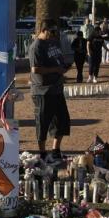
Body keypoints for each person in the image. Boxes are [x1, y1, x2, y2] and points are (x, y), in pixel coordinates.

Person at [29, 20, 69, 162]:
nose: (54, 35)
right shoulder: (37, 46)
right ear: (44, 30)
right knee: (43, 122)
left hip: (57, 89)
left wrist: (63, 68)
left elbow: (58, 60)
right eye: (52, 32)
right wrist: (56, 70)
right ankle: (43, 153)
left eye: (56, 32)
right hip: (42, 91)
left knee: (62, 121)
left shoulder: (53, 43)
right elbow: (36, 69)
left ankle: (56, 150)